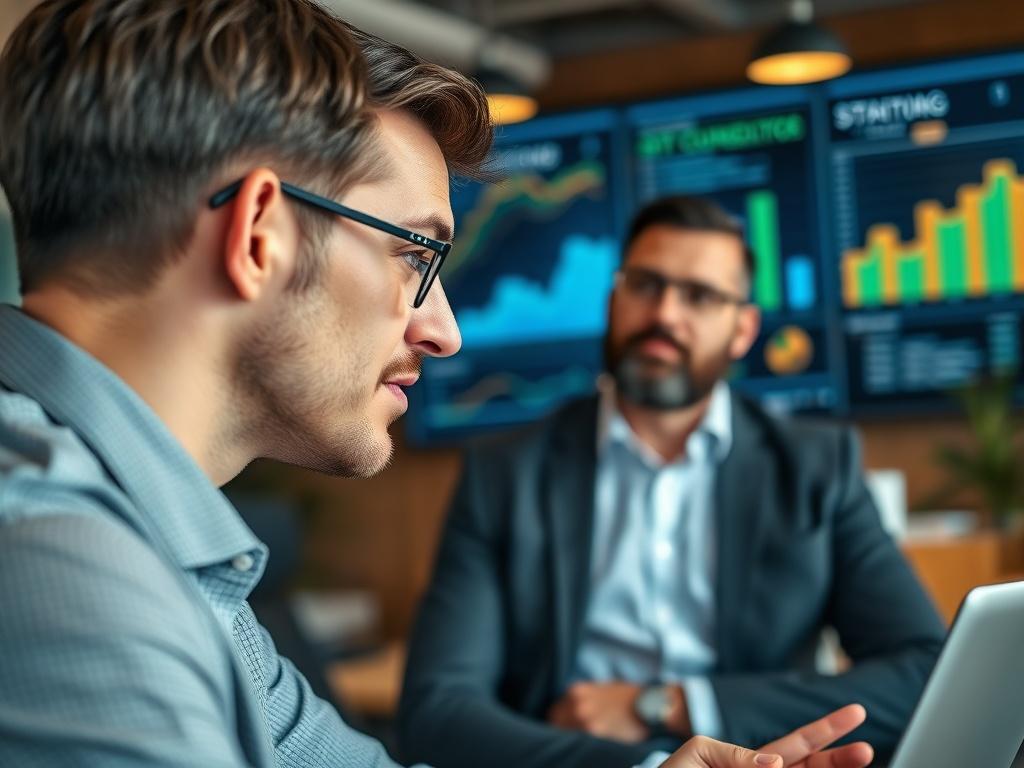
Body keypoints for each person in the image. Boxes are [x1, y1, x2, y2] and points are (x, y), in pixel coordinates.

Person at [0, 2, 875, 767]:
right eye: (416, 254)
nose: (445, 330)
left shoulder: (161, 550)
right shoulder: (59, 570)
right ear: (258, 232)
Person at [398, 196, 946, 768]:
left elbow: (924, 672)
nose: (664, 314)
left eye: (701, 297)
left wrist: (672, 705)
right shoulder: (504, 473)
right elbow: (437, 711)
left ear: (742, 330)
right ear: (614, 302)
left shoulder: (816, 466)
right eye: (645, 285)